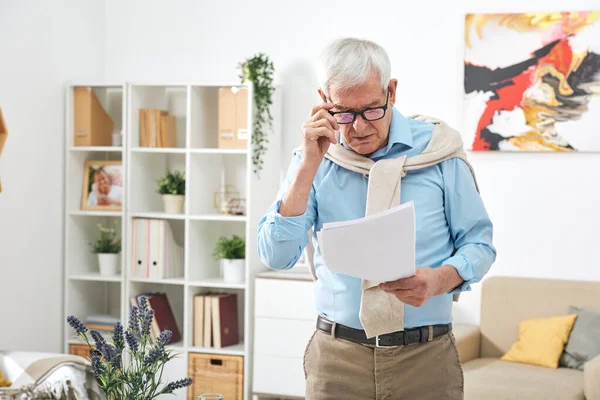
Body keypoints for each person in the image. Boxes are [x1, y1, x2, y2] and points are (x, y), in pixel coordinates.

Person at [257, 37, 496, 400]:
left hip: (426, 358)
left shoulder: (440, 152)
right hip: (337, 359)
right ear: (324, 102)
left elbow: (480, 245)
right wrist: (308, 166)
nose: (358, 127)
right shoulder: (314, 160)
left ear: (392, 92)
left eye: (371, 110)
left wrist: (440, 280)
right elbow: (275, 256)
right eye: (344, 113)